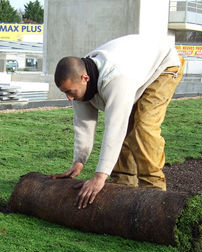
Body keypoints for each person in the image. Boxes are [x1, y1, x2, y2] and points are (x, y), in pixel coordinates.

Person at [51, 34, 185, 209]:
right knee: (127, 125)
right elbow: (84, 126)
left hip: (164, 65)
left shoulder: (115, 79)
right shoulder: (80, 82)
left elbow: (115, 128)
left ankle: (155, 191)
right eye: (64, 93)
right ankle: (123, 185)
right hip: (135, 68)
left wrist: (99, 177)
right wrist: (79, 161)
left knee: (143, 125)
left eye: (70, 91)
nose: (69, 98)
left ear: (85, 78)